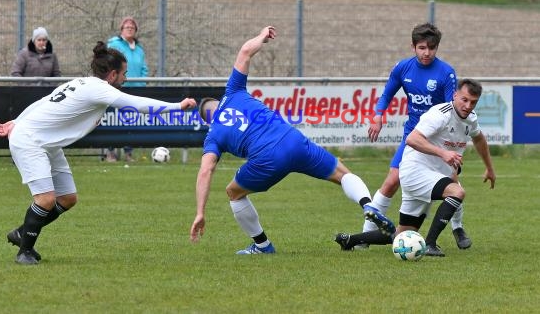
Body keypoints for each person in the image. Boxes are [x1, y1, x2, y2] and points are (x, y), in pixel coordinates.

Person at [188, 26, 395, 255]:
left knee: (233, 193)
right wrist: (262, 35)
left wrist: (200, 212)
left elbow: (206, 170)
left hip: (267, 159)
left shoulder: (213, 134)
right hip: (293, 140)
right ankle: (368, 205)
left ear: (207, 120)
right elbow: (246, 51)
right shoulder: (233, 91)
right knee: (342, 174)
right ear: (218, 102)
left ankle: (262, 246)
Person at [0, 42, 196, 265]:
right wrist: (177, 106)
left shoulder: (83, 83)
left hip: (46, 143)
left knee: (68, 198)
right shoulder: (100, 89)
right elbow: (137, 104)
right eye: (124, 74)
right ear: (112, 74)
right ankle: (24, 252)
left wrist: (15, 121)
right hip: (30, 141)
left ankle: (22, 232)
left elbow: (42, 102)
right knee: (46, 199)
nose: (125, 78)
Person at [335, 78, 496, 257]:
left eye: (473, 102)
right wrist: (443, 153)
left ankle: (350, 240)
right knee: (456, 192)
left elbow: (479, 138)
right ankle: (430, 244)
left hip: (431, 176)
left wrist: (489, 168)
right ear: (455, 95)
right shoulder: (440, 114)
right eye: (464, 100)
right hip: (415, 171)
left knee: (402, 233)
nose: (468, 105)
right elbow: (412, 139)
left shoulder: (471, 119)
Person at [359, 22, 472, 250]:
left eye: (431, 48)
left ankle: (458, 228)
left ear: (437, 48)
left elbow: (451, 109)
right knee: (391, 182)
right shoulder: (403, 68)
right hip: (413, 135)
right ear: (413, 46)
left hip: (438, 139)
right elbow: (387, 94)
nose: (427, 53)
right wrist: (378, 116)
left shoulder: (446, 72)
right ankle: (364, 237)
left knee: (453, 182)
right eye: (422, 47)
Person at [105, 16, 148, 162]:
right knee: (113, 120)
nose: (130, 29)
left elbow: (144, 68)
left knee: (131, 121)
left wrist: (141, 84)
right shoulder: (114, 44)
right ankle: (110, 152)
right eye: (127, 27)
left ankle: (128, 153)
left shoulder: (139, 49)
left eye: (132, 27)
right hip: (117, 87)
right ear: (121, 30)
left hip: (135, 89)